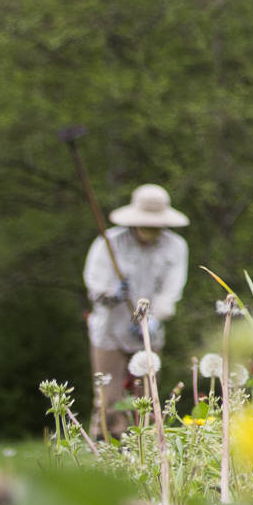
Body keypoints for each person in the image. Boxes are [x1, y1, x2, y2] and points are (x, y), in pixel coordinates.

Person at [83, 183, 189, 434]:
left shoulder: (176, 247)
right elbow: (95, 286)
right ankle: (106, 451)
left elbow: (172, 291)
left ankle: (142, 453)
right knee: (109, 400)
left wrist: (153, 319)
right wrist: (112, 294)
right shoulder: (108, 243)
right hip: (110, 330)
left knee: (145, 399)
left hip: (149, 333)